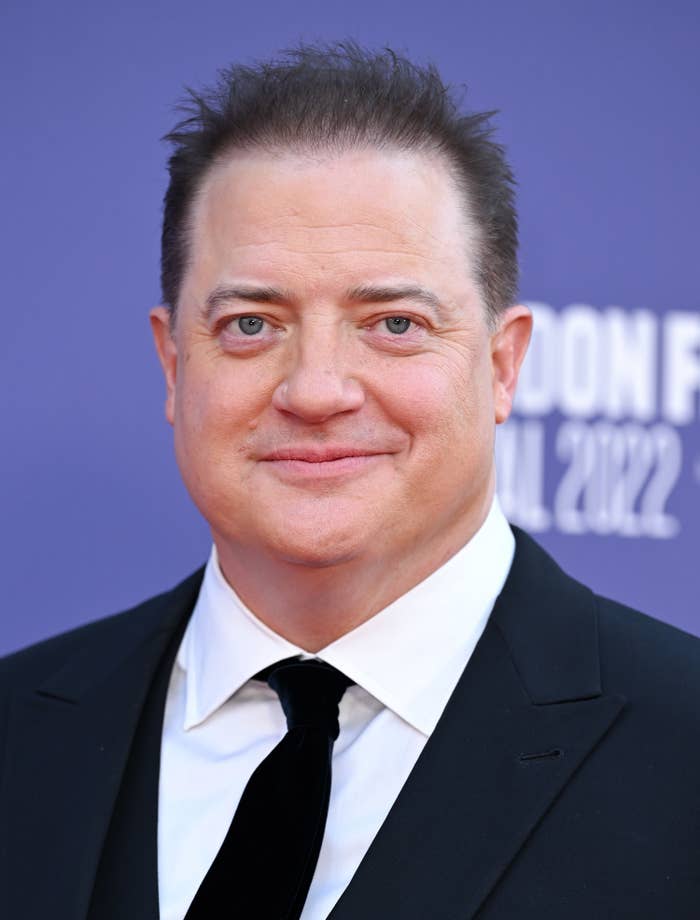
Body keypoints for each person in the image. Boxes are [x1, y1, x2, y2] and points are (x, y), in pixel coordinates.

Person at [1, 42, 699, 920]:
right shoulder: (17, 732)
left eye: (394, 323)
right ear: (174, 364)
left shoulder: (684, 750)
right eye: (252, 323)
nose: (317, 391)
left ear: (503, 365)